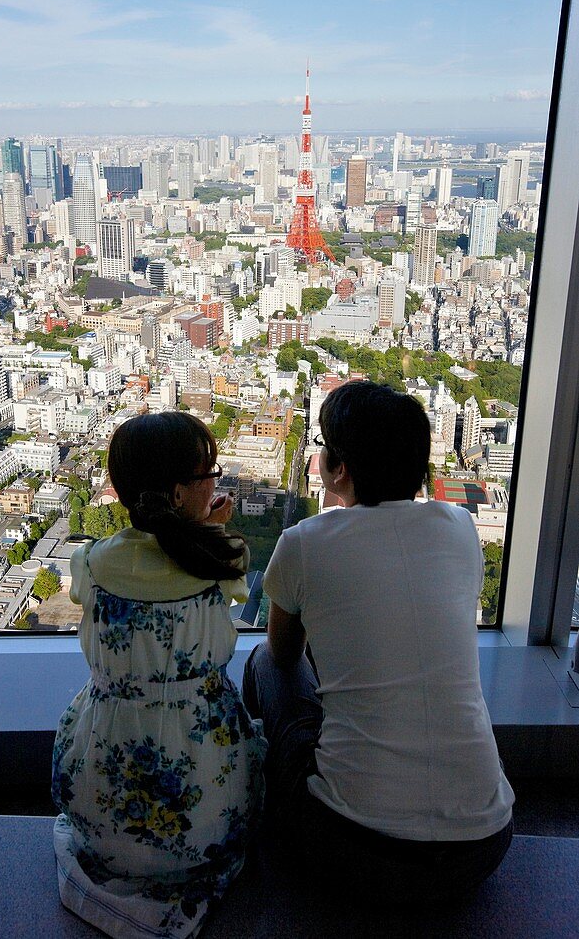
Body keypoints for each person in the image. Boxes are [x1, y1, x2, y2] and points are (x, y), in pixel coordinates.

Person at [243, 381, 514, 907]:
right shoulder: (460, 527)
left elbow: (283, 654)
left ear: (338, 469)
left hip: (350, 847)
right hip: (484, 846)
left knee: (263, 665)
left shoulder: (305, 541)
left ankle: (258, 796)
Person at [52, 412, 266, 939]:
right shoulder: (222, 557)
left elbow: (95, 594)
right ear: (178, 492)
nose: (216, 481)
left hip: (102, 786)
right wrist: (210, 529)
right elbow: (220, 585)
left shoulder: (93, 562)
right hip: (208, 805)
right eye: (208, 473)